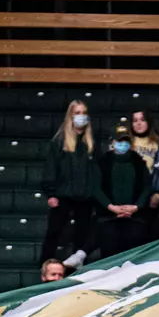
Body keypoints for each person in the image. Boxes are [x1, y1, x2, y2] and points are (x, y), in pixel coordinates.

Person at [41, 99, 98, 269]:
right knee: (54, 231)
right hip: (63, 194)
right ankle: (45, 265)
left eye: (84, 113)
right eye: (77, 113)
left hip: (85, 196)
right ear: (70, 116)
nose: (81, 116)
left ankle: (78, 268)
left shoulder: (91, 143)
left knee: (82, 233)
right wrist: (51, 193)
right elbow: (51, 168)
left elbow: (96, 171)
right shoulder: (59, 141)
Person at [95, 123, 152, 259]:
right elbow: (96, 188)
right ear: (112, 143)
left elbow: (147, 187)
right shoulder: (103, 162)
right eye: (119, 141)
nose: (123, 144)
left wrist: (136, 207)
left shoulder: (139, 162)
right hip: (108, 217)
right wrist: (111, 207)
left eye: (126, 141)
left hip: (135, 217)